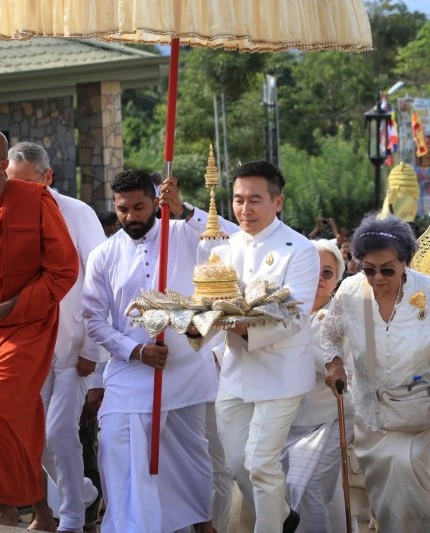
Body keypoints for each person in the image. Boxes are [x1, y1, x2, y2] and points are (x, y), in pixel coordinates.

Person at [82, 169, 236, 533]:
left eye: (139, 207)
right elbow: (93, 319)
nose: (131, 216)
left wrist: (184, 209)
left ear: (155, 201)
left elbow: (234, 239)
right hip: (130, 373)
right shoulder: (104, 254)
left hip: (184, 371)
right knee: (119, 453)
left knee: (188, 461)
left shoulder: (184, 232)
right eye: (122, 209)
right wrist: (135, 350)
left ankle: (201, 525)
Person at [0, 129, 79, 529]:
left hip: (27, 328)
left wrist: (9, 307)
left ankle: (5, 509)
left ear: (3, 162)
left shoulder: (34, 199)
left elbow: (64, 270)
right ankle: (38, 512)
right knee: (15, 423)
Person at [322, 215, 430, 532]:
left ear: (405, 262)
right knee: (386, 496)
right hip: (372, 412)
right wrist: (334, 362)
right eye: (369, 269)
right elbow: (330, 334)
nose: (377, 277)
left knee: (406, 473)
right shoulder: (349, 291)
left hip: (424, 407)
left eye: (387, 269)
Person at [211, 160, 319, 532]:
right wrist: (193, 325)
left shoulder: (299, 249)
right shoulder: (225, 249)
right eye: (238, 199)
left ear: (278, 202)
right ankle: (282, 517)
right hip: (235, 372)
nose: (244, 209)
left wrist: (242, 329)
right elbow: (210, 306)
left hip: (280, 373)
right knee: (237, 463)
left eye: (254, 200)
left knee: (260, 463)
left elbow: (296, 317)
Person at [7, 141, 106, 533]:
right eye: (12, 183)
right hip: (31, 347)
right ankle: (81, 494)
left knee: (59, 430)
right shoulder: (7, 213)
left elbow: (101, 284)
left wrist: (92, 350)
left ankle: (72, 518)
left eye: (27, 183)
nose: (18, 191)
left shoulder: (77, 213)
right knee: (36, 435)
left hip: (73, 347)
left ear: (48, 177)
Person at [280, 239, 353, 532]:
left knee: (305, 488)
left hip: (330, 419)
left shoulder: (342, 314)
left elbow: (333, 362)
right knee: (323, 495)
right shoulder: (283, 307)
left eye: (328, 273)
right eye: (314, 270)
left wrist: (287, 339)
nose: (320, 279)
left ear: (337, 280)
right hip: (286, 420)